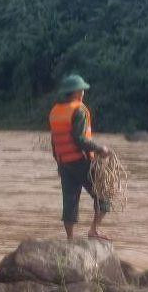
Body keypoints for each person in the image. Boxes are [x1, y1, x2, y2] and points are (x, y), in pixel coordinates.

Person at [48, 73, 112, 240]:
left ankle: (70, 239)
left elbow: (54, 141)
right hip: (81, 161)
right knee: (103, 195)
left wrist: (59, 163)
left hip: (64, 163)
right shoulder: (79, 111)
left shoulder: (55, 111)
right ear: (76, 92)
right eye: (82, 90)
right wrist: (100, 149)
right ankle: (94, 230)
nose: (84, 93)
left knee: (69, 201)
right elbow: (80, 139)